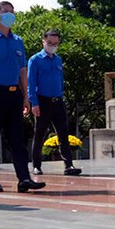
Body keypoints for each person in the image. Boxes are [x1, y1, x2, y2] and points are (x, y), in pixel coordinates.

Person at [0, 1, 45, 193]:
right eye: (5, 12)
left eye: (12, 12)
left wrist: (26, 97)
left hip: (15, 94)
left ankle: (24, 178)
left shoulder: (17, 41)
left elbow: (23, 71)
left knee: (17, 140)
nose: (10, 15)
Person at [28, 29, 81, 176]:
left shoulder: (58, 59)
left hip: (58, 101)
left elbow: (60, 81)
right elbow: (31, 83)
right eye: (50, 43)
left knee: (63, 134)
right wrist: (34, 103)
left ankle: (68, 165)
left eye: (56, 43)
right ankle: (37, 166)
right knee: (39, 135)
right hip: (42, 102)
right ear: (43, 41)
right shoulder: (35, 60)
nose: (52, 46)